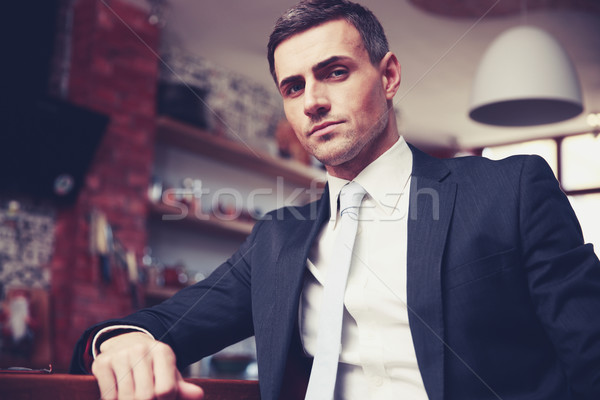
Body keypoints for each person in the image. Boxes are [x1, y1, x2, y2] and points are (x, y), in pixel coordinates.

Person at [71, 1, 600, 399]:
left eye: (335, 72)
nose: (314, 103)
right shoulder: (276, 241)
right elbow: (165, 324)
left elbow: (590, 355)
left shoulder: (511, 190)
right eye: (293, 87)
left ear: (388, 76)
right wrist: (122, 341)